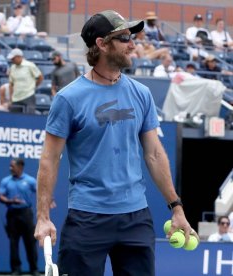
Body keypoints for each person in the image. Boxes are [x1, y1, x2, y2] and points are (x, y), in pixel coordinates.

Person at [33, 10, 197, 276]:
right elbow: (50, 159)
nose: (133, 44)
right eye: (123, 38)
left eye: (132, 37)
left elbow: (154, 154)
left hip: (136, 217)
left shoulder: (141, 94)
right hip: (87, 217)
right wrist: (42, 217)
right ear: (101, 44)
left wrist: (176, 208)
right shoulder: (68, 98)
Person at [0, 158, 38, 276]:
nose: (10, 168)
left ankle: (34, 269)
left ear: (20, 167)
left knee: (30, 242)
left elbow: (40, 191)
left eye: (12, 166)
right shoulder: (5, 181)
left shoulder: (30, 180)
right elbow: (0, 196)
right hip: (12, 214)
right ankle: (16, 269)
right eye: (10, 166)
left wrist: (49, 200)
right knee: (13, 242)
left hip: (26, 214)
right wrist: (11, 201)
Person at [7, 48, 42, 113]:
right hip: (16, 98)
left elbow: (40, 77)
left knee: (29, 119)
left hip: (29, 96)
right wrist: (10, 98)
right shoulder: (12, 67)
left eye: (13, 58)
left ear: (19, 57)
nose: (12, 60)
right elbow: (11, 84)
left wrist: (33, 86)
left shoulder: (30, 65)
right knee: (14, 119)